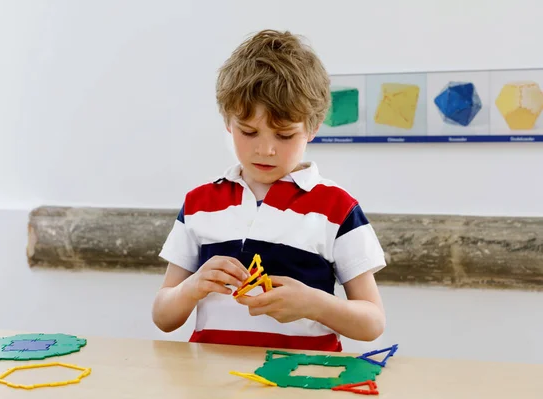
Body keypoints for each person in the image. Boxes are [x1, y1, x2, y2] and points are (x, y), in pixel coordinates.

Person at [152, 29, 387, 352]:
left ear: (313, 128)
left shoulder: (337, 208)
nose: (266, 150)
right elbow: (163, 317)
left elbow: (373, 322)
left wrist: (315, 304)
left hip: (303, 379)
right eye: (249, 131)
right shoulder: (199, 204)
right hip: (209, 380)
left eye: (285, 135)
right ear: (228, 121)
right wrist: (192, 287)